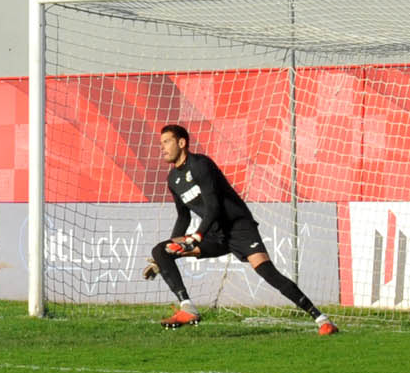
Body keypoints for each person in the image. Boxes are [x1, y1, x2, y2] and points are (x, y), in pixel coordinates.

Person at [144, 124, 337, 334]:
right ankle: (187, 308)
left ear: (182, 143)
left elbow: (214, 206)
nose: (162, 147)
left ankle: (321, 319)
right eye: (161, 143)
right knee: (160, 251)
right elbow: (183, 217)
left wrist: (196, 237)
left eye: (166, 142)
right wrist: (170, 253)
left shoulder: (200, 165)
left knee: (267, 272)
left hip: (239, 228)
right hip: (214, 235)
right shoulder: (173, 179)